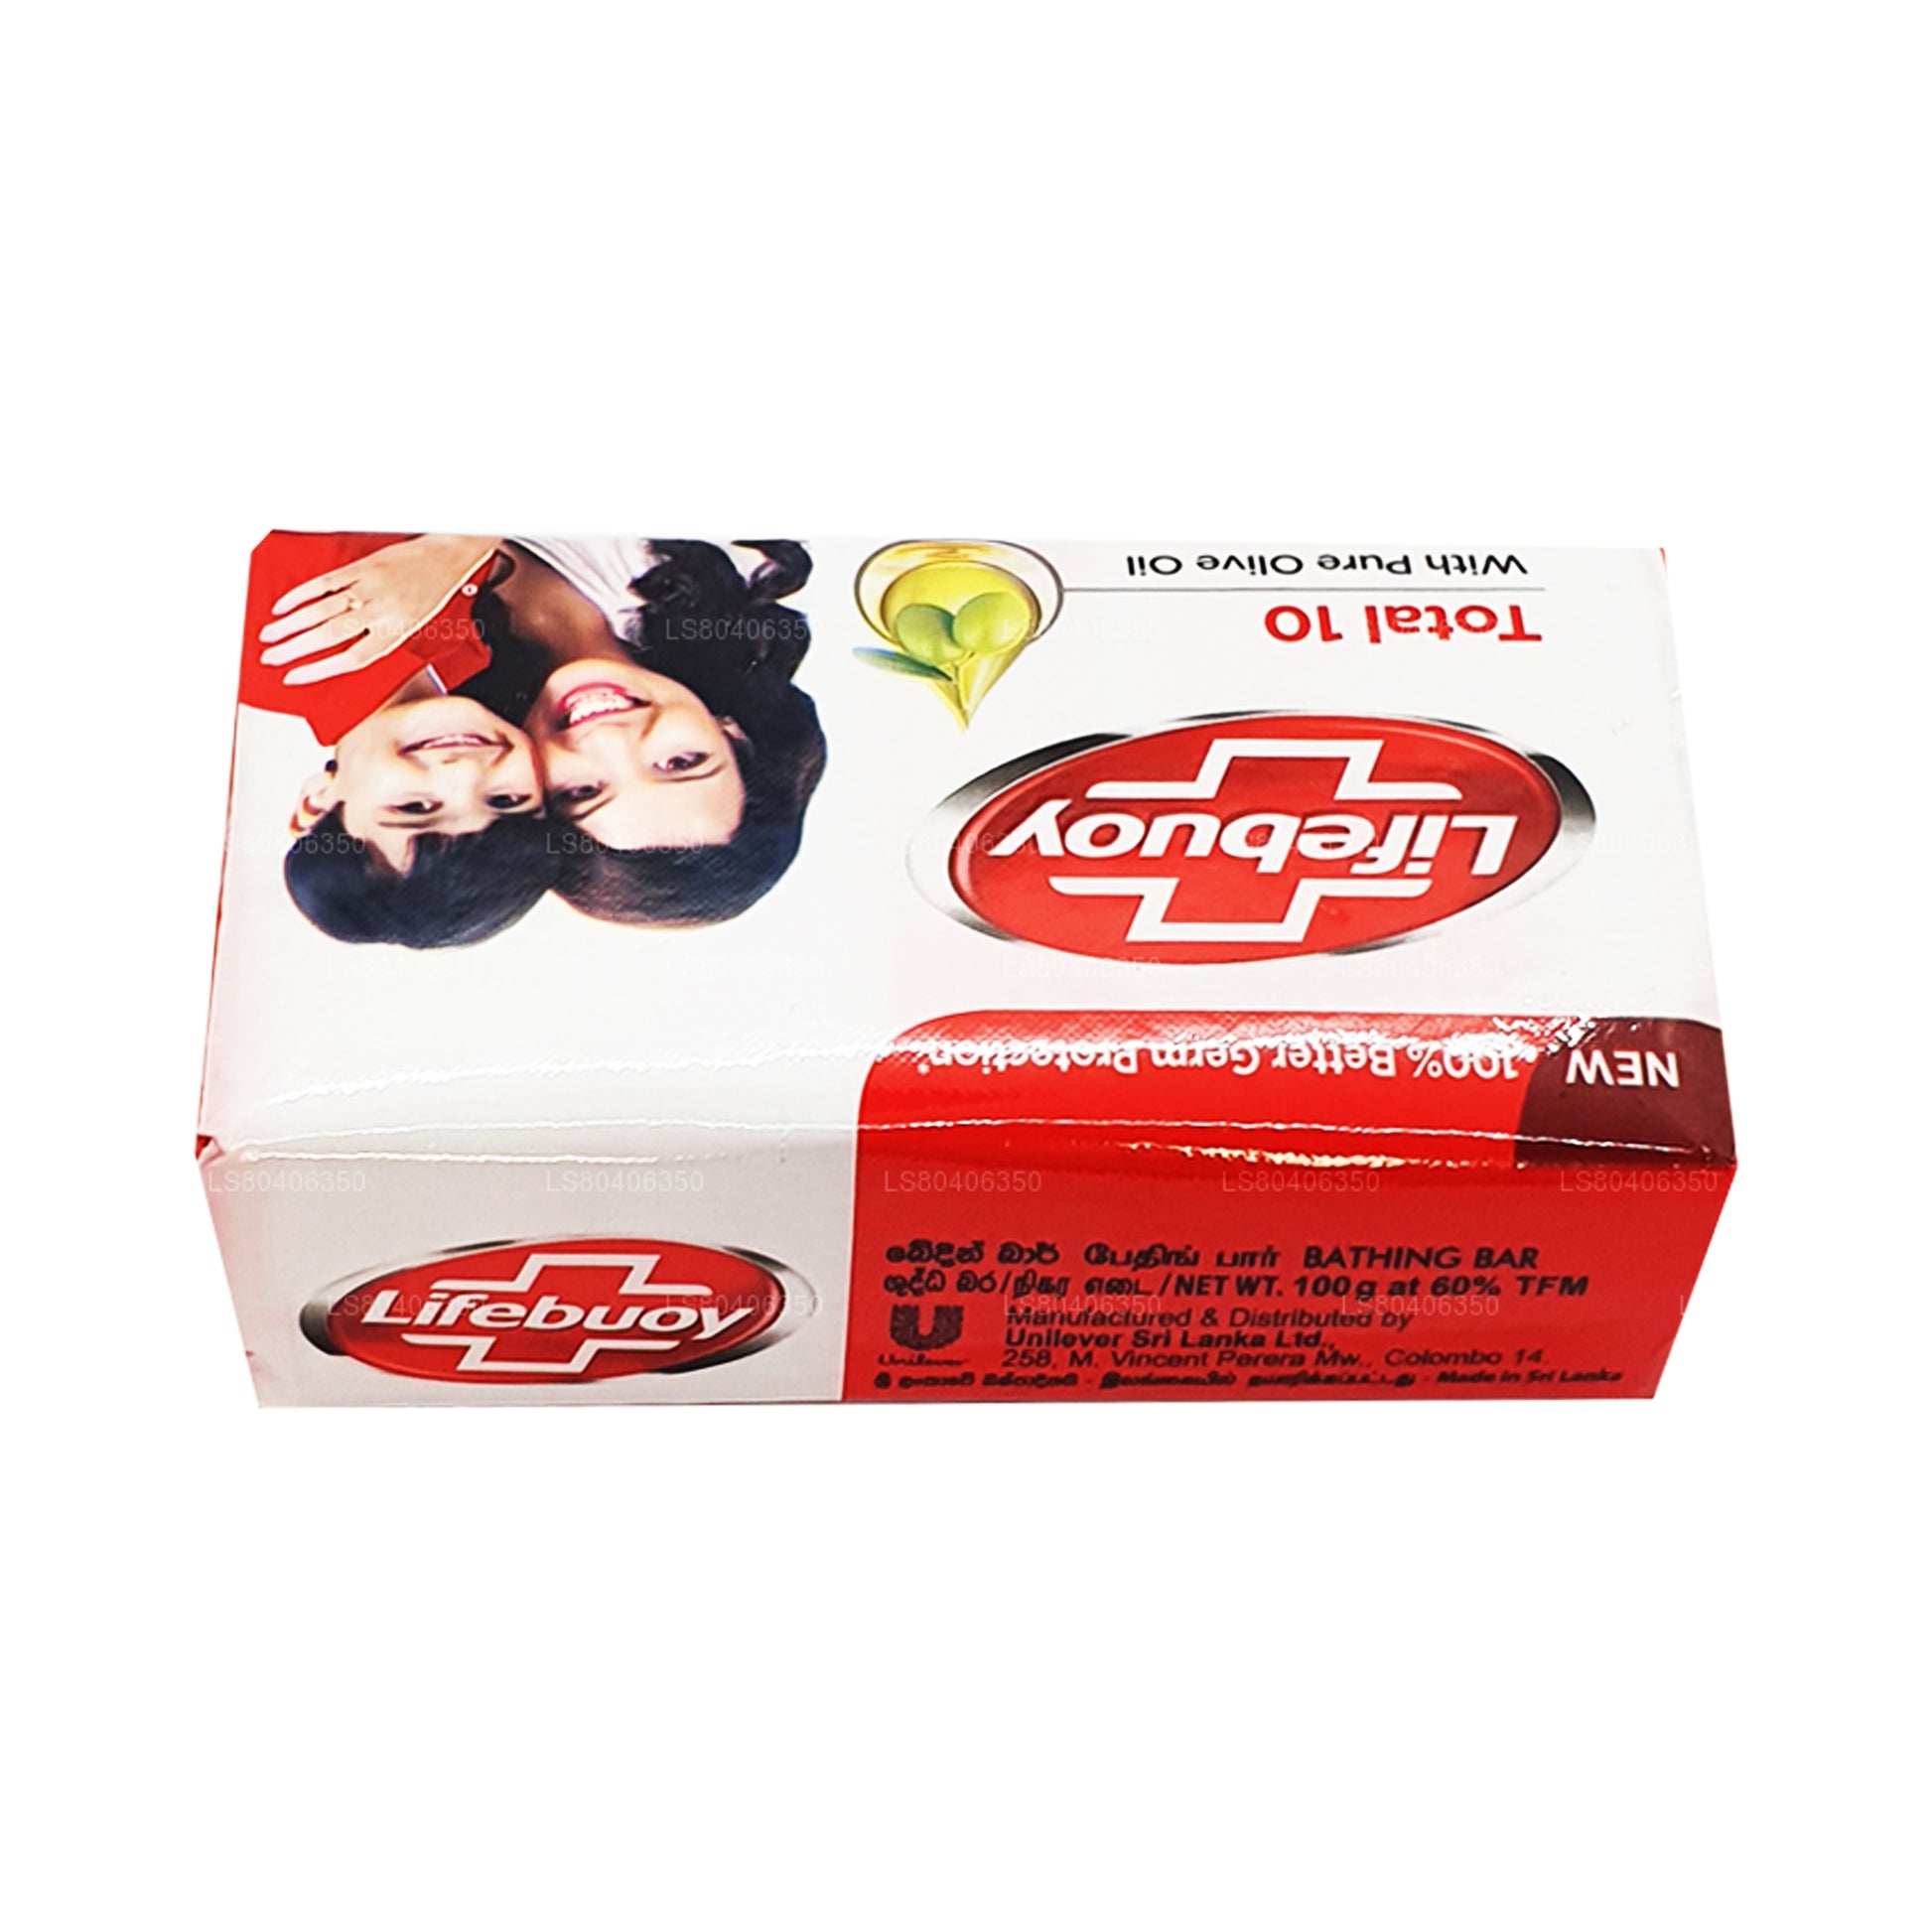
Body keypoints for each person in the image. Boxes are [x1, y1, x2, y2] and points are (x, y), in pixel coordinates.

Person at [261, 534, 826, 926]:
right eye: (681, 762)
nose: (610, 739)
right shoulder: (729, 562)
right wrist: (459, 540)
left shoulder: (406, 670)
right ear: (732, 733)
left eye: (582, 791)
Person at [243, 532, 557, 947]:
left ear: (317, 805)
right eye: (505, 800)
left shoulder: (266, 641)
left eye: (415, 807)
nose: (464, 772)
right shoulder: (473, 646)